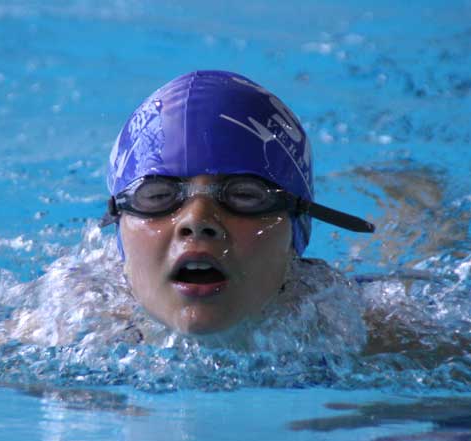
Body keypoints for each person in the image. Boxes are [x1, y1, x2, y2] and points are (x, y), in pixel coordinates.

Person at [100, 70, 374, 335]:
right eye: (157, 196)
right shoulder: (82, 327)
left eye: (244, 195)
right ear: (119, 225)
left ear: (296, 230)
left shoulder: (367, 334)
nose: (196, 220)